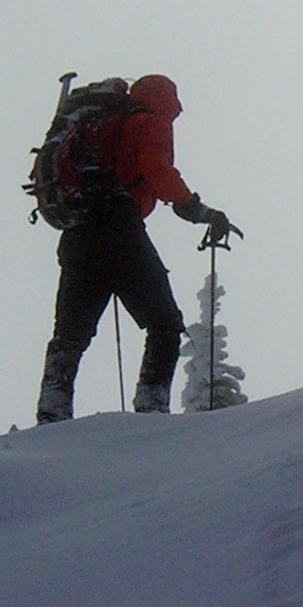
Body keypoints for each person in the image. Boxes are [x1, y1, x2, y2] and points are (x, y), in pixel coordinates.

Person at [38, 74, 237, 422]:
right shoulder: (148, 122)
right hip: (120, 231)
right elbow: (157, 171)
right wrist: (199, 211)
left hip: (77, 236)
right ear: (164, 98)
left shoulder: (97, 127)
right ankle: (151, 409)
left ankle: (52, 411)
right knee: (164, 324)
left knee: (69, 335)